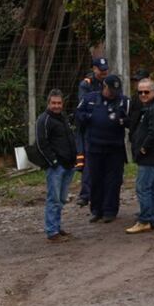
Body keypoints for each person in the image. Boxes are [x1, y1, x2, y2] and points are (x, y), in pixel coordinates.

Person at [76, 74, 130, 224]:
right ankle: (96, 210)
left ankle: (110, 210)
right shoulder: (90, 99)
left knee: (113, 181)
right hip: (94, 147)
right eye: (110, 90)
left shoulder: (123, 101)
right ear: (104, 87)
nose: (112, 93)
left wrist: (122, 121)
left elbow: (132, 119)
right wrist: (88, 117)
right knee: (95, 179)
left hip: (115, 149)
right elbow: (78, 114)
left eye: (115, 91)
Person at [127, 78, 154, 234]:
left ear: (153, 92)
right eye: (140, 92)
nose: (143, 94)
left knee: (144, 187)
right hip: (152, 155)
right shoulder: (149, 107)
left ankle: (145, 219)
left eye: (146, 91)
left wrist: (143, 148)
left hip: (150, 156)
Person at [36, 89, 77, 242]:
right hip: (56, 167)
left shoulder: (63, 118)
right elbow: (41, 144)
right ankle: (52, 231)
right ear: (48, 103)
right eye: (53, 103)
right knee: (53, 199)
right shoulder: (44, 120)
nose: (56, 106)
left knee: (61, 199)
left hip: (68, 165)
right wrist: (53, 162)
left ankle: (57, 227)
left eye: (59, 103)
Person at [75, 57, 110, 207]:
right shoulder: (86, 84)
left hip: (104, 126)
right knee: (88, 161)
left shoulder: (108, 83)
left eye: (105, 70)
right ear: (94, 69)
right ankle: (85, 194)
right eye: (101, 70)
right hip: (89, 126)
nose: (103, 72)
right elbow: (85, 104)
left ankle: (102, 193)